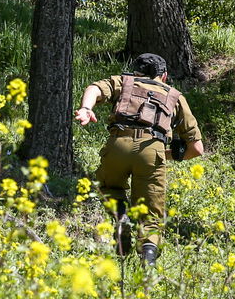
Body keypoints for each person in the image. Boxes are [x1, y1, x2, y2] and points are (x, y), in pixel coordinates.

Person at [74, 53, 205, 265]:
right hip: (153, 151)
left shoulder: (124, 82)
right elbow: (197, 149)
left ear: (136, 72)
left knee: (108, 187)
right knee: (152, 217)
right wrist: (165, 155)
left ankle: (121, 218)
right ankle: (148, 263)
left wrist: (86, 109)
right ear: (164, 76)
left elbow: (94, 88)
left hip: (118, 144)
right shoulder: (175, 96)